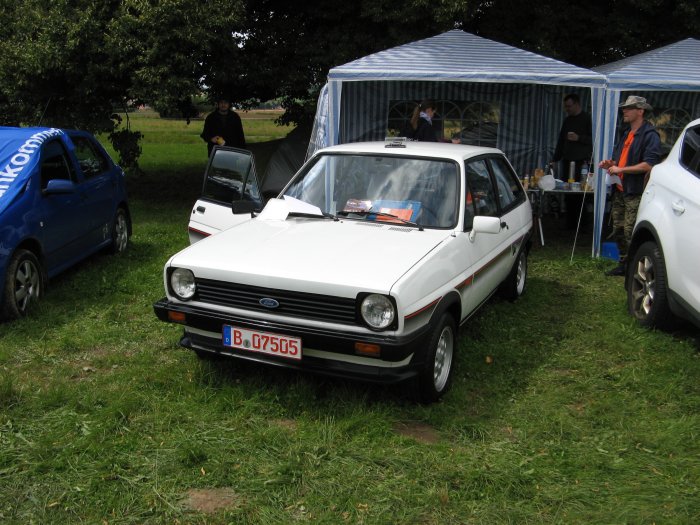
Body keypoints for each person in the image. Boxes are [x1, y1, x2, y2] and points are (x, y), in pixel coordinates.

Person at [598, 95, 661, 276]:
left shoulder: (650, 135)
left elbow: (649, 165)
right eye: (624, 108)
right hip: (620, 190)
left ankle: (636, 268)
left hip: (635, 191)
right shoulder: (627, 133)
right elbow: (621, 160)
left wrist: (621, 169)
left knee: (630, 231)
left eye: (629, 108)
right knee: (618, 229)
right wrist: (611, 164)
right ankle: (624, 264)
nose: (624, 111)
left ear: (640, 111)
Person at [552, 93, 593, 229]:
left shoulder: (588, 119)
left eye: (569, 106)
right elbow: (561, 140)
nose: (567, 109)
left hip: (582, 164)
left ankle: (582, 225)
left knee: (581, 195)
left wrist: (579, 138)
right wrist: (555, 159)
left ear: (577, 104)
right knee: (568, 194)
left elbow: (594, 140)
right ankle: (570, 223)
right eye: (566, 107)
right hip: (567, 161)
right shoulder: (567, 120)